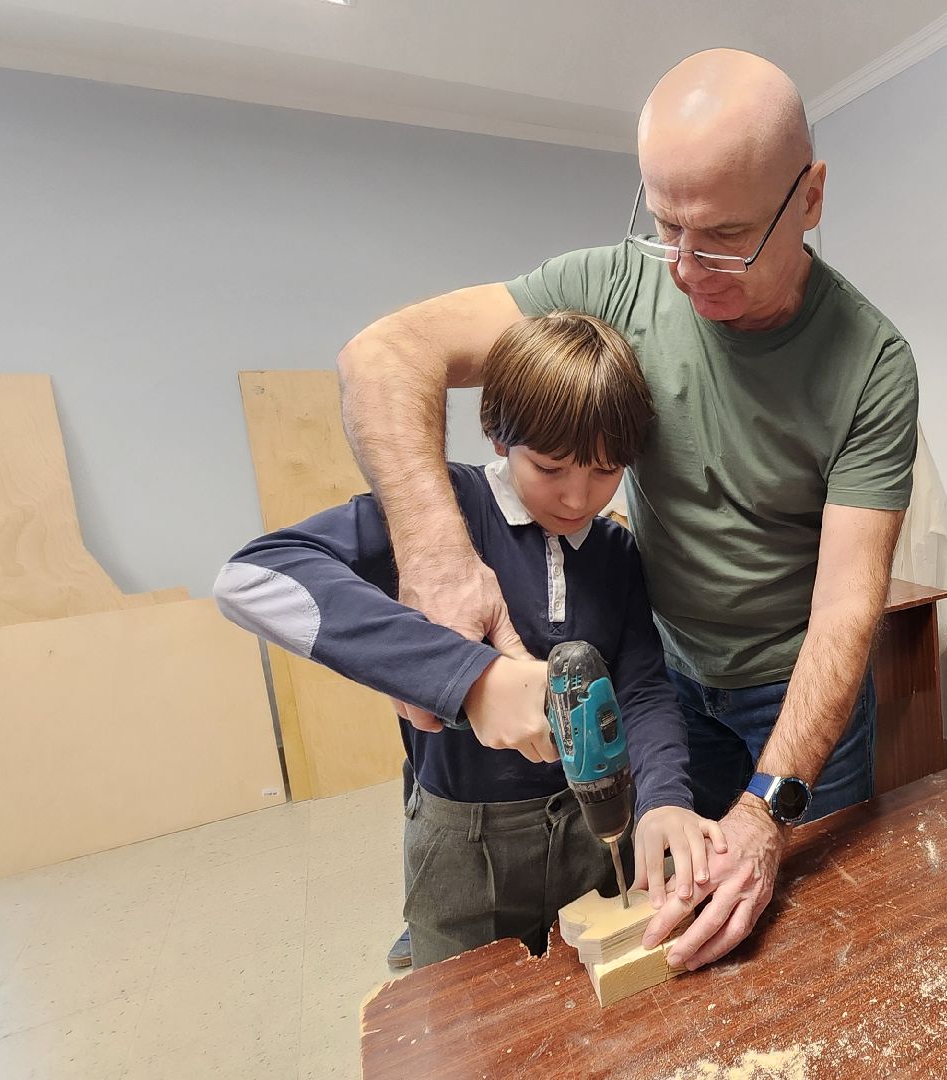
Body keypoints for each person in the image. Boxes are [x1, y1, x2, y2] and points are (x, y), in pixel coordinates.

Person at [334, 48, 918, 971]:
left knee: (816, 954)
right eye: (664, 226)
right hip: (670, 679)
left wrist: (769, 810)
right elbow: (383, 357)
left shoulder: (874, 365)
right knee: (675, 925)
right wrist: (441, 560)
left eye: (723, 238)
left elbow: (847, 608)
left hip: (800, 698)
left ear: (809, 198)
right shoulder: (622, 281)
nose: (684, 270)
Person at [216, 312, 723, 968]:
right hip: (460, 836)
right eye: (551, 466)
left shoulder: (616, 551)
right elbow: (251, 579)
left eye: (605, 471)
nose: (578, 495)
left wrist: (663, 802)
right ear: (496, 433)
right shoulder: (440, 509)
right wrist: (468, 676)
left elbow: (645, 689)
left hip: (588, 833)